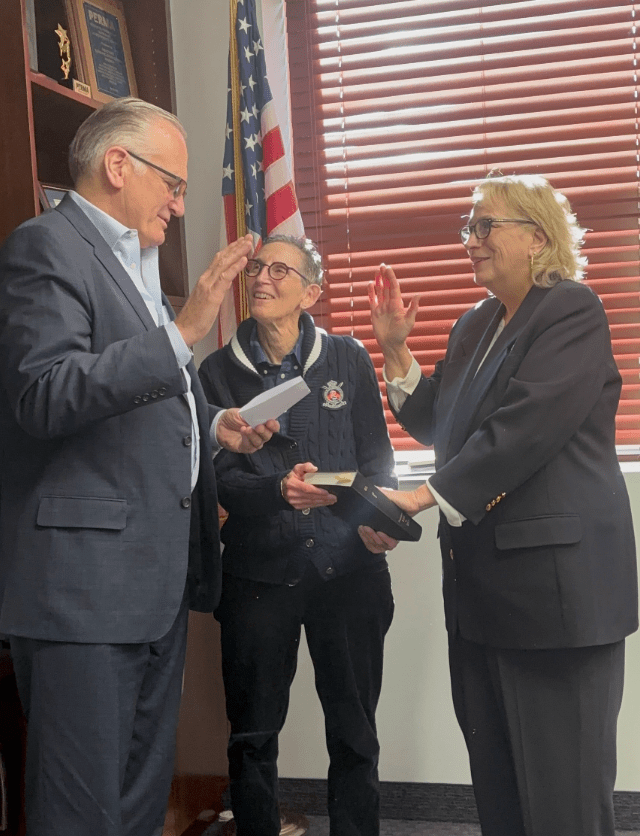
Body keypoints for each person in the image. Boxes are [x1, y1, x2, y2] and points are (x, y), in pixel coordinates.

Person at [0, 96, 279, 836]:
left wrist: (212, 428)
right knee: (81, 814)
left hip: (152, 585)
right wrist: (182, 331)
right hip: (81, 592)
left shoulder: (137, 264)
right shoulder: (42, 250)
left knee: (139, 808)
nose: (179, 202)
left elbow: (137, 409)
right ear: (118, 166)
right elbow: (46, 395)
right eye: (171, 183)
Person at [362, 173, 638, 836]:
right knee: (501, 795)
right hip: (482, 601)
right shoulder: (474, 324)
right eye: (469, 226)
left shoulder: (571, 311)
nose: (471, 240)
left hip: (553, 604)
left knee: (563, 803)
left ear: (538, 237)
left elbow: (525, 429)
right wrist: (396, 349)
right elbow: (443, 427)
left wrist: (423, 494)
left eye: (487, 226)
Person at [198, 235, 397, 836]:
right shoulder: (215, 372)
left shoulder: (349, 358)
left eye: (279, 270)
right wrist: (275, 491)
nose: (261, 278)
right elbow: (215, 479)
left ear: (312, 291)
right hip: (259, 578)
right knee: (252, 736)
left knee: (355, 731)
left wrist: (376, 522)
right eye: (257, 268)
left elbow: (378, 462)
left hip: (349, 574)